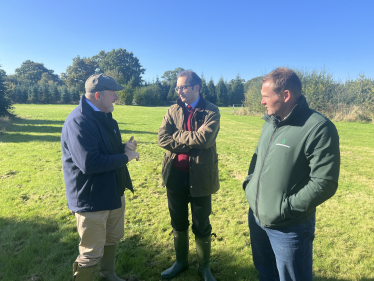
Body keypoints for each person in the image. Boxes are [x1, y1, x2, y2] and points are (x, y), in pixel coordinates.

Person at [243, 67, 340, 281]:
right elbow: (257, 157)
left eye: (265, 96)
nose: (262, 102)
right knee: (265, 273)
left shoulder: (318, 128)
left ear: (285, 95)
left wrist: (283, 208)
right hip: (257, 218)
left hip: (289, 228)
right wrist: (249, 187)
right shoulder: (270, 121)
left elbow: (324, 183)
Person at [61, 74, 139, 281]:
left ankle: (108, 276)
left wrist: (124, 148)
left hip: (113, 192)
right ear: (98, 95)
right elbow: (89, 163)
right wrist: (125, 157)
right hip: (92, 198)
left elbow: (106, 151)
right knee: (91, 251)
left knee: (113, 238)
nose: (116, 98)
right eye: (113, 94)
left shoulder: (104, 116)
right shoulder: (79, 121)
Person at [158, 70, 220, 281]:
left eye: (183, 87)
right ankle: (181, 262)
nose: (179, 91)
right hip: (174, 175)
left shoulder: (211, 111)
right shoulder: (173, 109)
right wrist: (189, 138)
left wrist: (176, 135)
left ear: (196, 88)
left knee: (201, 223)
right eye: (178, 87)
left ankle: (204, 268)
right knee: (178, 222)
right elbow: (162, 138)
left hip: (201, 176)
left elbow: (205, 140)